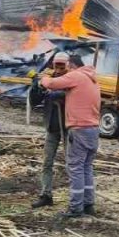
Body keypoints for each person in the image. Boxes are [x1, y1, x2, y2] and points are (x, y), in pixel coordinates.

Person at [38, 53, 100, 219]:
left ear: (71, 65)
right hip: (93, 129)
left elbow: (51, 83)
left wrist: (42, 78)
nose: (63, 70)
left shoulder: (76, 75)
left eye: (65, 67)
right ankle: (88, 205)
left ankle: (75, 208)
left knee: (75, 169)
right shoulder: (91, 78)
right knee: (86, 167)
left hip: (79, 129)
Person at [31, 53, 70, 209]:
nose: (59, 69)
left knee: (71, 164)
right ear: (53, 65)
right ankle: (46, 195)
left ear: (68, 65)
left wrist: (55, 93)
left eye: (62, 66)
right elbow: (35, 101)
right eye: (57, 66)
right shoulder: (48, 80)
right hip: (52, 128)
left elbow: (67, 93)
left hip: (68, 128)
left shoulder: (72, 79)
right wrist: (35, 86)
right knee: (47, 163)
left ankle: (74, 198)